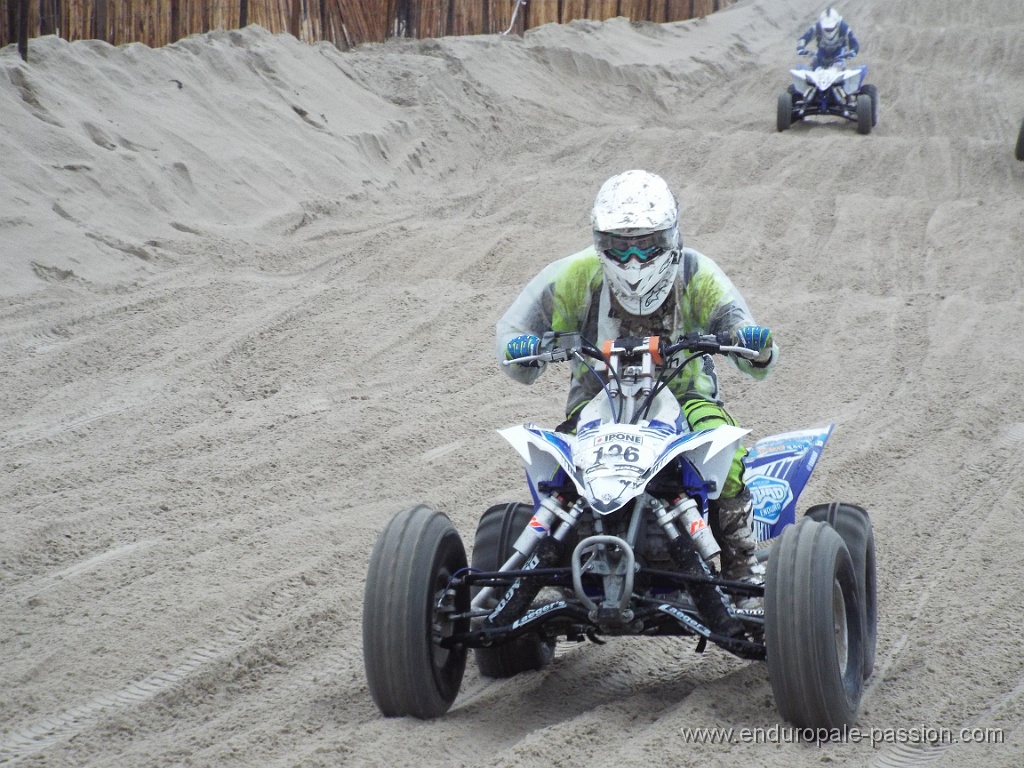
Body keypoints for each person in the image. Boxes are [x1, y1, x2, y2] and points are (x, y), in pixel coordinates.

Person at [496, 169, 778, 603]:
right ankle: (547, 562)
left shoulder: (697, 273)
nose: (632, 261)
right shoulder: (574, 277)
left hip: (688, 402)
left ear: (669, 237)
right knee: (555, 468)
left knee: (727, 449)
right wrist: (524, 347)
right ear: (600, 242)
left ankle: (741, 563)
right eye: (619, 246)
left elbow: (750, 341)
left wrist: (751, 343)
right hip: (597, 404)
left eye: (645, 244)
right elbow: (513, 343)